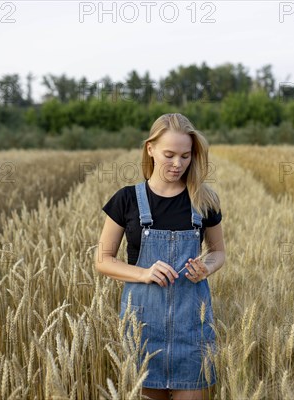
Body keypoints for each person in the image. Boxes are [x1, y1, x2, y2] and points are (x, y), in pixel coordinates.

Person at [95, 113, 226, 400]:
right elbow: (103, 259)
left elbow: (218, 253)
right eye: (169, 154)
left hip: (191, 330)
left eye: (185, 155)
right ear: (150, 149)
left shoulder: (204, 201)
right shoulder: (126, 199)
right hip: (142, 329)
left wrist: (207, 267)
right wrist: (143, 273)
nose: (177, 164)